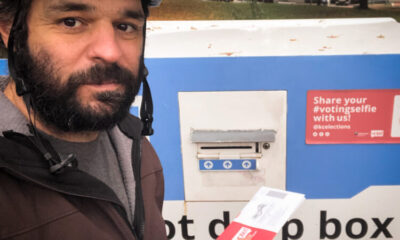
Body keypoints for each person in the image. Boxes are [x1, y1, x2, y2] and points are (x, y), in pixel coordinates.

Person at [0, 0, 167, 239]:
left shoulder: (137, 147)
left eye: (125, 26)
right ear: (10, 31)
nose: (110, 52)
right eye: (72, 22)